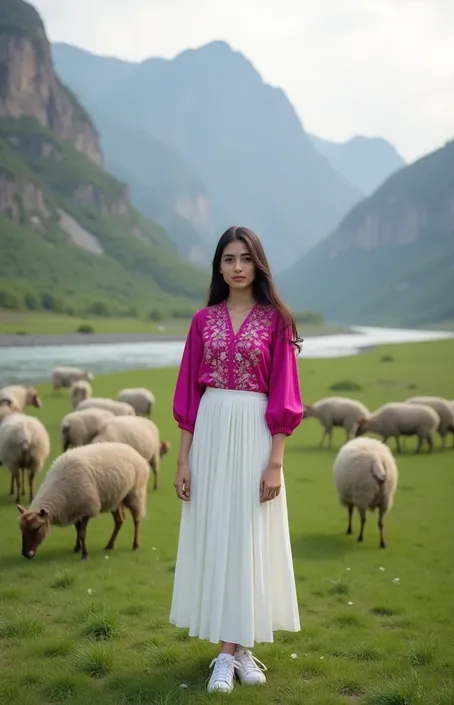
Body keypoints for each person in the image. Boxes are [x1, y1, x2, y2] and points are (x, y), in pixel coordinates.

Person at [170, 225, 303, 693]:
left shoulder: (277, 321)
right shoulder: (202, 321)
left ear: (258, 264)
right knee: (219, 534)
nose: (238, 267)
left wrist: (276, 461)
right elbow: (188, 393)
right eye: (229, 259)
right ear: (219, 266)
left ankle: (227, 654)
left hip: (254, 432)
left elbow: (286, 392)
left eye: (245, 258)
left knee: (248, 535)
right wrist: (183, 461)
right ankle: (237, 650)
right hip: (210, 429)